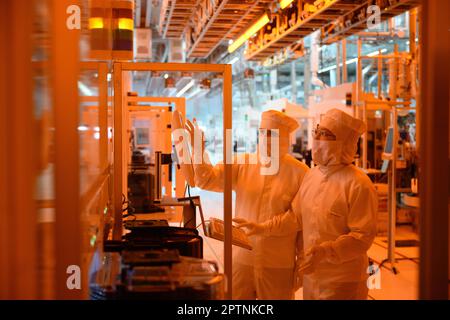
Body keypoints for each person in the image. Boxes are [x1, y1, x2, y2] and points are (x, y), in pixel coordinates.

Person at [235, 108, 378, 300]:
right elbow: (295, 218)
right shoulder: (312, 176)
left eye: (324, 134)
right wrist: (261, 228)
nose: (317, 139)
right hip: (313, 276)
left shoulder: (358, 183)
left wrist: (327, 251)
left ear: (343, 142)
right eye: (316, 132)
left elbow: (362, 237)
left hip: (343, 281)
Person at [186, 110, 309, 300]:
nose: (265, 138)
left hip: (277, 264)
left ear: (285, 137)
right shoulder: (243, 164)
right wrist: (197, 149)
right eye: (262, 132)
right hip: (242, 259)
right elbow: (206, 180)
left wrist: (301, 263)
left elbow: (299, 221)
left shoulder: (299, 173)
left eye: (272, 133)